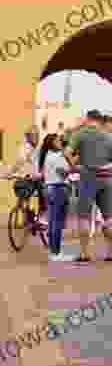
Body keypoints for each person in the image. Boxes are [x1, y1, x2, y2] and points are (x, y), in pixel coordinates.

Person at [64, 109, 112, 262]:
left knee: (84, 216)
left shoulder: (81, 134)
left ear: (88, 118)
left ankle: (84, 253)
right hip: (107, 180)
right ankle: (110, 253)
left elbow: (67, 152)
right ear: (99, 120)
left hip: (87, 178)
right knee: (109, 217)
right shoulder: (109, 136)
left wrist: (73, 166)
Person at [38, 133, 75, 261]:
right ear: (53, 143)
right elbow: (64, 172)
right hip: (58, 188)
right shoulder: (57, 156)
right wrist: (73, 166)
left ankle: (54, 252)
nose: (61, 142)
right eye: (58, 141)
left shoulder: (47, 155)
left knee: (53, 221)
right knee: (57, 223)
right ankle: (56, 253)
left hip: (49, 188)